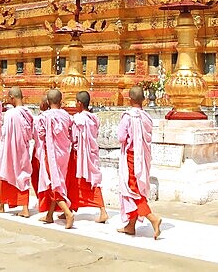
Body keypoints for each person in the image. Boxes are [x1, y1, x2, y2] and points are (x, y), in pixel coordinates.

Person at [117, 85, 161, 239]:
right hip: (143, 158)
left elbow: (121, 137)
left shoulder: (128, 117)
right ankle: (130, 226)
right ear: (144, 99)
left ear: (130, 99)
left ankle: (152, 218)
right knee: (137, 189)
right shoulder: (147, 117)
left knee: (132, 190)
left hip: (131, 158)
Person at [0, 87, 34, 217]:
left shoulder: (11, 114)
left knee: (5, 173)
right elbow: (31, 133)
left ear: (12, 97)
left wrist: (1, 151)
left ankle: (1, 205)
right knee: (22, 175)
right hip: (23, 149)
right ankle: (25, 208)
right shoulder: (28, 113)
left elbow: (5, 134)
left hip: (10, 149)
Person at [36, 89, 75, 228]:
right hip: (64, 153)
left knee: (53, 182)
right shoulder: (67, 116)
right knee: (57, 181)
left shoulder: (44, 117)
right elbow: (71, 133)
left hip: (51, 153)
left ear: (48, 102)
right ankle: (49, 215)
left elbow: (40, 134)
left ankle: (68, 213)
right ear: (61, 101)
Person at [70, 90, 109, 223]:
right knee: (81, 181)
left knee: (83, 181)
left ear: (79, 103)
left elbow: (74, 137)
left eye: (76, 102)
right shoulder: (94, 119)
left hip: (80, 154)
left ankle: (103, 211)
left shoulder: (78, 119)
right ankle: (71, 208)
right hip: (91, 153)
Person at [31, 96, 51, 213]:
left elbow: (35, 135)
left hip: (40, 151)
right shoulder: (62, 116)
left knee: (38, 176)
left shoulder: (40, 119)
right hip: (56, 152)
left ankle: (42, 201)